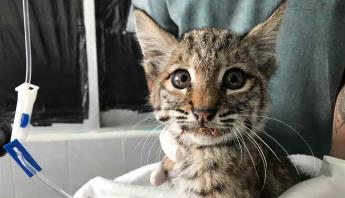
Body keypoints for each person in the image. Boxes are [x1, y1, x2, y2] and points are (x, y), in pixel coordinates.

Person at [127, 0, 345, 159]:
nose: (204, 107)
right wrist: (177, 131)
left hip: (321, 161)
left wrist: (337, 174)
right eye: (183, 79)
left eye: (233, 79)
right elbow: (158, 67)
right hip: (195, 154)